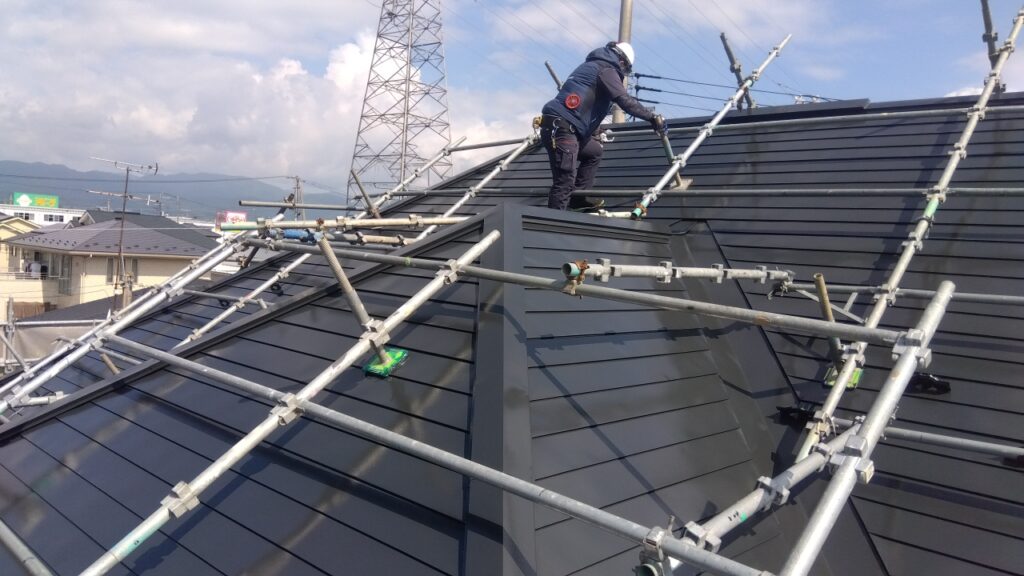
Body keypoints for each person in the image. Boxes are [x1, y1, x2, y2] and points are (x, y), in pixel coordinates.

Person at [540, 41, 666, 211]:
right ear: (622, 61)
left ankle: (578, 199)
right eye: (626, 69)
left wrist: (594, 130)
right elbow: (624, 100)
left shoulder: (593, 65)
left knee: (594, 152)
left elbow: (586, 105)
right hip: (563, 128)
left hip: (564, 126)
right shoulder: (607, 69)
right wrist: (652, 118)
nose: (624, 73)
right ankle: (553, 222)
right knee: (564, 181)